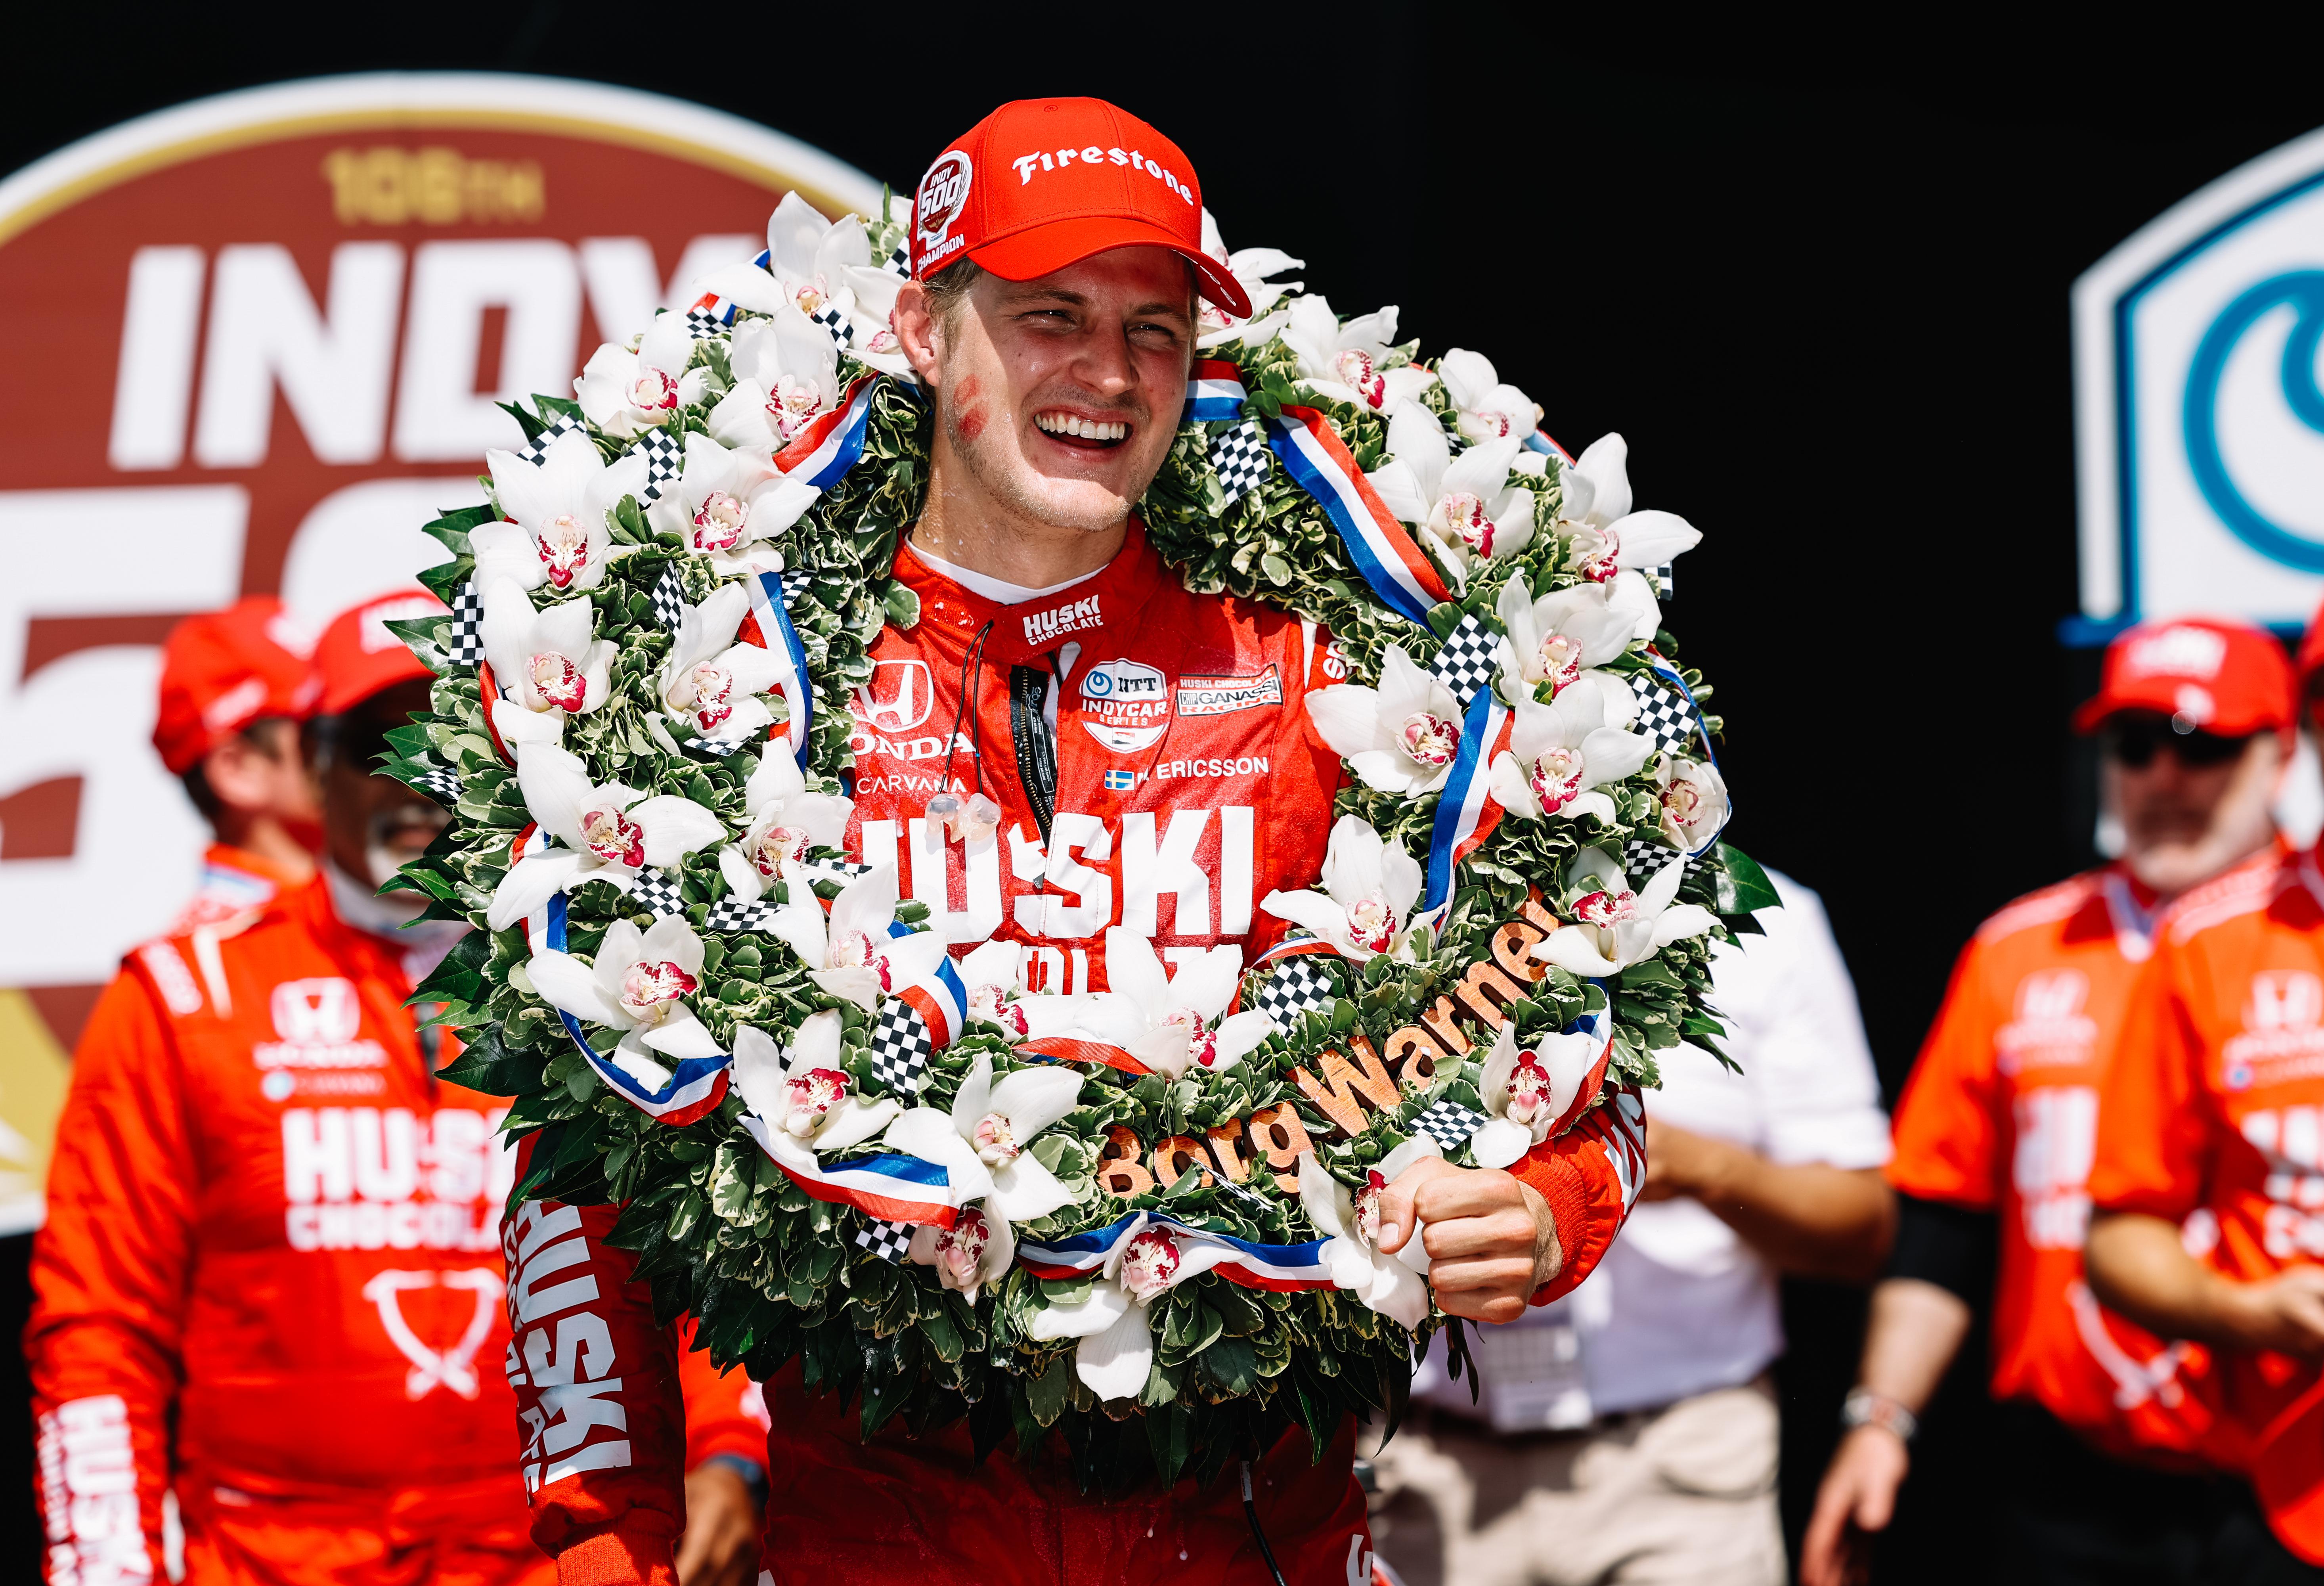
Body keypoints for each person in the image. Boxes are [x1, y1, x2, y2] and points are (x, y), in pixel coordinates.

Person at [511, 97, 1641, 1586]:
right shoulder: (750, 678)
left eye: (1155, 328)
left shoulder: (1327, 669)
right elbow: (588, 1149)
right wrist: (594, 1545)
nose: (1107, 374)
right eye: (1049, 315)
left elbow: (1569, 1051)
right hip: (873, 1541)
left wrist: (1546, 1207)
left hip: (1260, 1537)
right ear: (923, 325)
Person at [29, 593, 767, 1586]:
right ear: (313, 770)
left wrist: (730, 1450)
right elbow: (99, 1333)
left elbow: (696, 1259)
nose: (415, 780)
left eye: (442, 741)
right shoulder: (181, 997)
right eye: (378, 744)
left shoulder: (603, 983)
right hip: (268, 1562)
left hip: (555, 1554)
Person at [1803, 614, 2297, 1586]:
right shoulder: (2019, 951)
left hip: (2300, 1469)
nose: (2163, 777)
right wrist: (1880, 1420)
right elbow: (1944, 1222)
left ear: (2281, 757)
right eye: (2134, 744)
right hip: (2073, 1485)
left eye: (2201, 747)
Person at [1370, 873, 1893, 1586]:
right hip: (1433, 1468)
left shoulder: (1761, 917)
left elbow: (1863, 1227)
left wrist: (1695, 1166)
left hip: (1677, 1460)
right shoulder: (1403, 896)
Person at [2087, 566, 2324, 1577]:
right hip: (2288, 1478)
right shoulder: (2209, 939)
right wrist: (2244, 1313)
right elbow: (2121, 1237)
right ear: (2314, 730)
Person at [152, 596, 321, 931]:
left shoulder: (380, 915)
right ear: (238, 770)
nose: (362, 741)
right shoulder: (209, 963)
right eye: (319, 726)